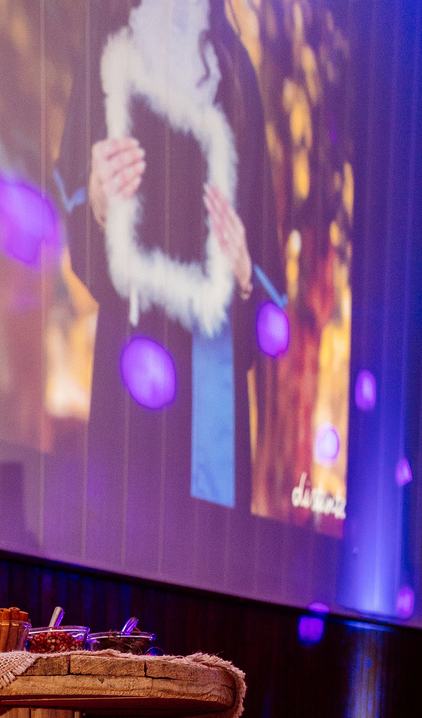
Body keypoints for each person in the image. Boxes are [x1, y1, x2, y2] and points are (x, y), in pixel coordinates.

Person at [55, 0, 283, 555]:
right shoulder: (111, 45)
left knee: (208, 563)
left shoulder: (236, 71)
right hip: (132, 359)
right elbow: (73, 195)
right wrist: (99, 202)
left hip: (211, 370)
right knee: (122, 544)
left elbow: (264, 265)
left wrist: (244, 272)